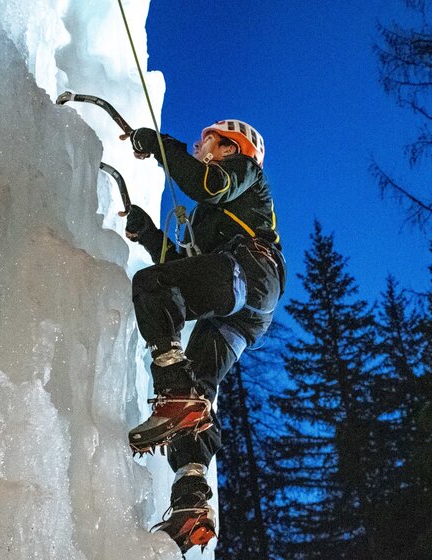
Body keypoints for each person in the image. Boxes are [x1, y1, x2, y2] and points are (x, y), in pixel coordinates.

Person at [122, 119, 285, 553]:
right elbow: (185, 266)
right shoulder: (210, 212)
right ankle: (190, 499)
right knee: (198, 393)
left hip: (250, 272)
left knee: (151, 286)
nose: (198, 146)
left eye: (206, 140)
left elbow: (207, 184)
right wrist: (149, 235)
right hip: (242, 310)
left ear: (233, 146)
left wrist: (161, 145)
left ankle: (174, 393)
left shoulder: (246, 173)